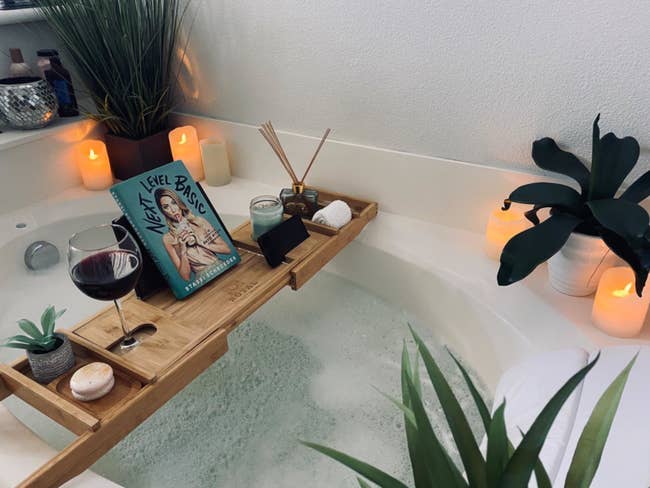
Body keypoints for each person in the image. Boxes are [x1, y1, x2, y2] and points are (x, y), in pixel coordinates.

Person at [154, 188, 231, 281]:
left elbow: (227, 250)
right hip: (203, 278)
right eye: (166, 207)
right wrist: (183, 249)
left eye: (174, 203)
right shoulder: (168, 238)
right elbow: (185, 277)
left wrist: (200, 242)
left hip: (222, 267)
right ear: (163, 211)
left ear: (179, 203)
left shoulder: (199, 221)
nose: (173, 209)